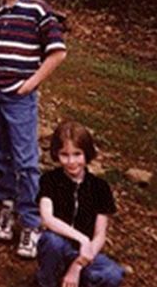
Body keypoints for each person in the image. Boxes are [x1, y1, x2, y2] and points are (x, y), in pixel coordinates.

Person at [0, 0, 67, 259]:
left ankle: (31, 222)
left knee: (26, 159)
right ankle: (6, 205)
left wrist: (30, 84)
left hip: (19, 97)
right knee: (0, 154)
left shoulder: (38, 9)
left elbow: (57, 52)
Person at [37, 121, 125, 286]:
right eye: (64, 154)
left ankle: (76, 280)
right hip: (59, 247)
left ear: (87, 153)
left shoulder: (100, 187)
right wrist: (82, 238)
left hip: (86, 253)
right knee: (51, 241)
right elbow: (47, 218)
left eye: (77, 154)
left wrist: (78, 264)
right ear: (56, 154)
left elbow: (100, 235)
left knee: (113, 273)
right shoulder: (49, 180)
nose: (71, 161)